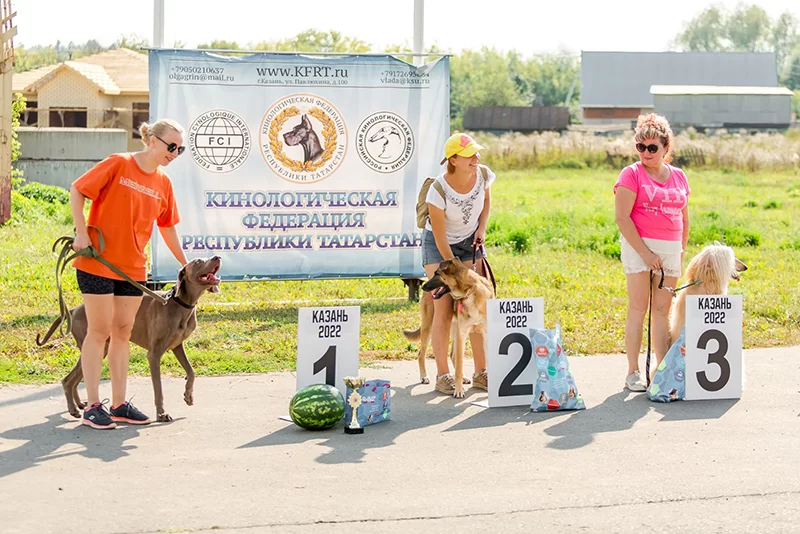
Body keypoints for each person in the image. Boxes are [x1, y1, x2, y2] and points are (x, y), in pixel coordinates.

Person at [69, 119, 189, 429]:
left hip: (133, 269)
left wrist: (185, 264)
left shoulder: (163, 183)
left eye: (181, 149)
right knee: (100, 331)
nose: (175, 153)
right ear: (151, 140)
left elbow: (168, 227)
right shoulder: (119, 163)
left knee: (122, 333)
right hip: (98, 263)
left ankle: (120, 404)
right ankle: (93, 406)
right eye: (171, 146)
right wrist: (81, 234)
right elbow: (77, 190)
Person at [614, 113, 690, 392]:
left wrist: (679, 254)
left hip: (670, 251)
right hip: (639, 248)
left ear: (665, 147)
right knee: (638, 307)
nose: (645, 153)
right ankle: (633, 371)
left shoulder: (679, 176)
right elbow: (622, 218)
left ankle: (663, 369)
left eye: (652, 147)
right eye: (640, 147)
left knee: (662, 310)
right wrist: (646, 254)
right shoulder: (631, 174)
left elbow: (685, 219)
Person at [423, 133, 496, 394]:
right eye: (470, 155)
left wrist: (482, 229)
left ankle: (481, 372)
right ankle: (444, 375)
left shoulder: (484, 174)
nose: (477, 158)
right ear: (453, 160)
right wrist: (453, 266)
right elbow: (440, 236)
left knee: (476, 308)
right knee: (443, 309)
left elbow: (486, 202)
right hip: (438, 245)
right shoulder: (438, 190)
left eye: (477, 153)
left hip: (469, 242)